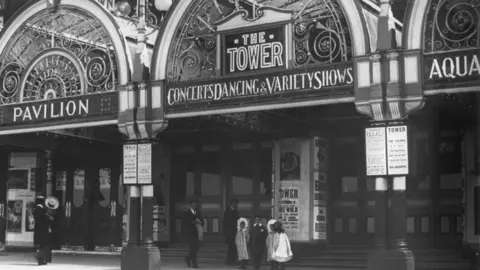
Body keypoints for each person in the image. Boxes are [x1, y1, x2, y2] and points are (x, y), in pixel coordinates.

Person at [182, 200, 203, 268]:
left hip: (197, 233)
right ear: (190, 205)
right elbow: (185, 223)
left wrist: (200, 222)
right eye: (193, 204)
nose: (194, 206)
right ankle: (194, 264)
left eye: (195, 204)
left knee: (197, 248)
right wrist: (194, 222)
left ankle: (188, 258)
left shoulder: (198, 213)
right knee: (193, 248)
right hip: (190, 233)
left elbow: (202, 222)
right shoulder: (187, 213)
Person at [33, 196, 51, 265]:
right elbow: (46, 219)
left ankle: (41, 260)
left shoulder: (36, 209)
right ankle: (41, 260)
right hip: (43, 230)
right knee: (43, 246)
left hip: (38, 230)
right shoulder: (41, 210)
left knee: (39, 245)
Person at [223, 198, 239, 265]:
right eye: (235, 204)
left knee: (234, 247)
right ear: (232, 204)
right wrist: (226, 232)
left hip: (235, 232)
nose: (236, 205)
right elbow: (225, 222)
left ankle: (232, 261)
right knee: (231, 247)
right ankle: (230, 261)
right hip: (230, 233)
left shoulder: (236, 211)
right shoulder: (227, 211)